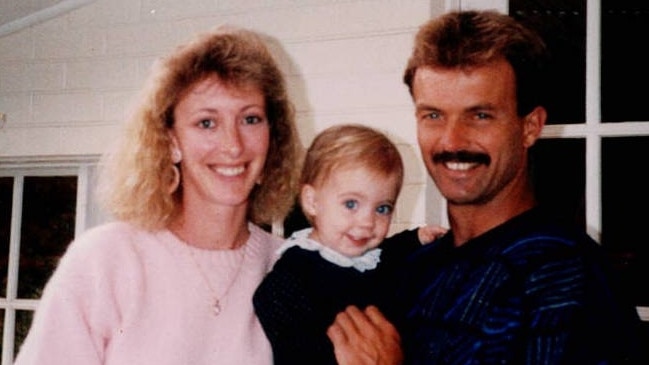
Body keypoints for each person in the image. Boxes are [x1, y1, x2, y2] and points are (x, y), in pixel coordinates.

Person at [327, 9, 646, 365]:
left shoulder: (563, 277)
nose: (451, 140)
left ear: (530, 126)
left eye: (480, 115)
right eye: (433, 115)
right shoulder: (413, 269)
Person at [14, 25, 301, 365]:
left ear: (273, 135)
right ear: (172, 142)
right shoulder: (107, 260)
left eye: (250, 119)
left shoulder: (292, 267)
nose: (233, 145)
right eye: (207, 123)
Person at [253, 124, 446, 365]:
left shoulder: (368, 255)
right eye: (351, 204)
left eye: (382, 209)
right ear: (312, 201)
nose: (367, 222)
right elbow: (273, 311)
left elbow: (389, 252)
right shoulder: (294, 276)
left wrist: (416, 237)